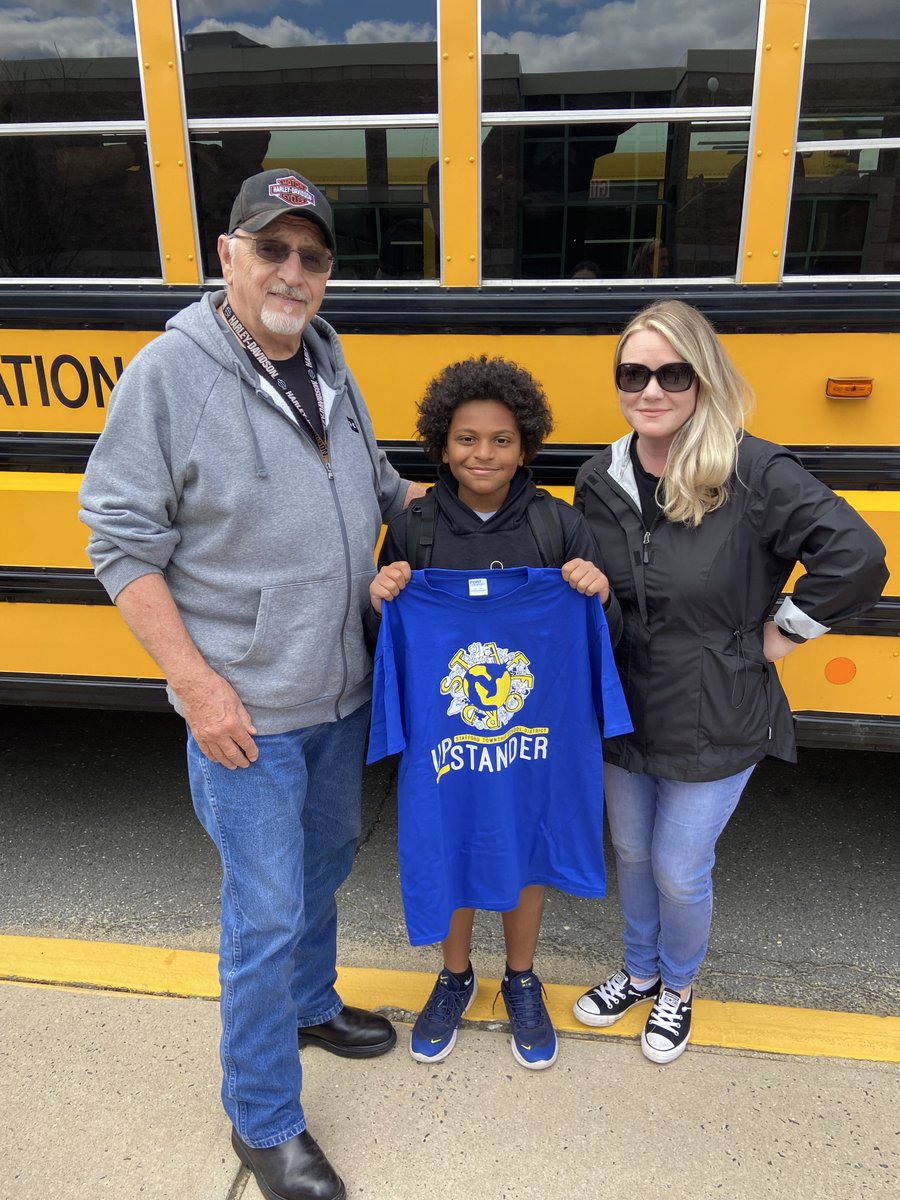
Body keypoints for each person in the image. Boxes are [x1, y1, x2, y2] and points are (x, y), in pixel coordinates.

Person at [79, 169, 425, 1200]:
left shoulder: (326, 360)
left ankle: (311, 1005)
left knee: (319, 876)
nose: (292, 271)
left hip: (335, 696)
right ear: (226, 254)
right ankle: (263, 1122)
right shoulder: (169, 376)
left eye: (311, 257)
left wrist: (486, 507)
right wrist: (196, 685)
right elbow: (121, 543)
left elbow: (372, 486)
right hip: (246, 717)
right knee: (263, 913)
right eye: (270, 249)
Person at [572, 299, 889, 1064]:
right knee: (635, 854)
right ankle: (639, 970)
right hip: (625, 706)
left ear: (703, 378)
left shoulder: (753, 470)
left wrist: (782, 634)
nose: (651, 390)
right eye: (634, 373)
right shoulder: (599, 477)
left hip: (720, 709)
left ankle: (678, 987)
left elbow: (859, 556)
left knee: (681, 868)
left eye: (672, 373)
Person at [366, 356, 628, 1071]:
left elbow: (611, 638)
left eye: (502, 440)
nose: (483, 454)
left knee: (524, 850)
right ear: (440, 444)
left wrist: (598, 594)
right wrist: (381, 596)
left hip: (532, 743)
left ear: (527, 447)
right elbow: (383, 648)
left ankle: (520, 978)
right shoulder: (413, 528)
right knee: (448, 843)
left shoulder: (558, 527)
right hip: (447, 742)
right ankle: (454, 977)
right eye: (466, 438)